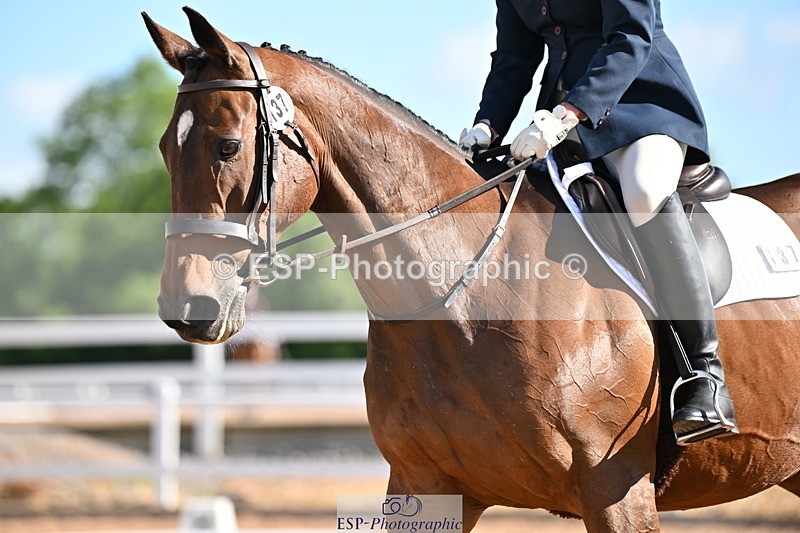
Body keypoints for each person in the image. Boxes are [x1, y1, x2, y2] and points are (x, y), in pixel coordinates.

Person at [459, 0, 738, 444]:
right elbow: (515, 57)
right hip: (561, 122)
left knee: (645, 189)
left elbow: (631, 37)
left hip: (641, 104)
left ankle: (705, 376)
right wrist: (488, 125)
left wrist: (570, 113)